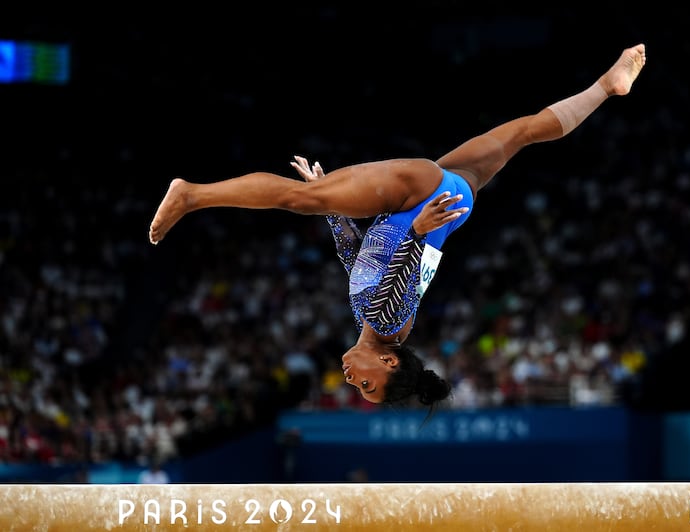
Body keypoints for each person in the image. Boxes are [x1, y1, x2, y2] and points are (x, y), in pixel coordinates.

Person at [148, 43, 647, 411]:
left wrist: (338, 211)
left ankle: (606, 86)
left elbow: (359, 259)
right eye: (366, 385)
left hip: (452, 201)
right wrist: (408, 229)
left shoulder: (375, 319)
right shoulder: (387, 324)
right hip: (420, 201)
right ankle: (192, 194)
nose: (351, 381)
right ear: (388, 364)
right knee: (296, 198)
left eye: (357, 389)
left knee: (522, 132)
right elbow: (399, 273)